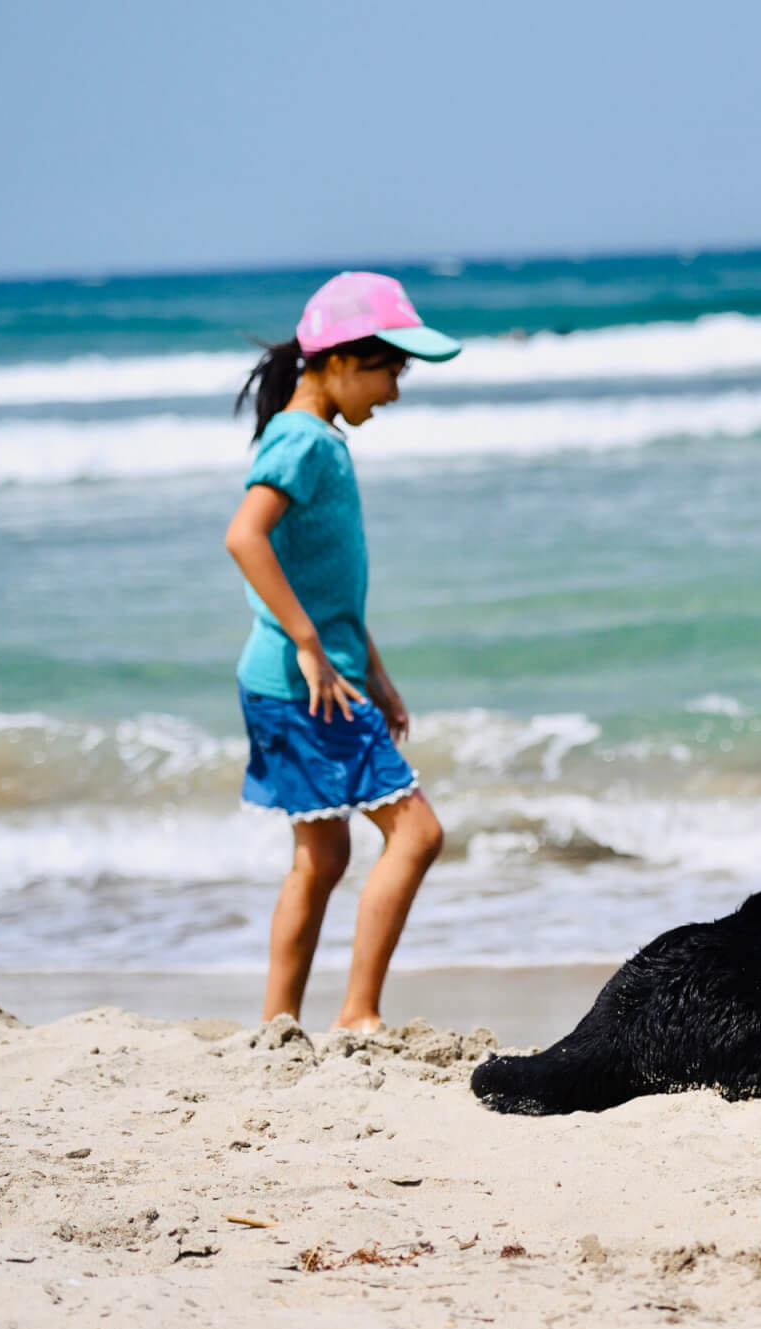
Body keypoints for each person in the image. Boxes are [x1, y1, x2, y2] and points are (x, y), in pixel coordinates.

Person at [223, 272, 461, 1032]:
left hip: (301, 681)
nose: (393, 391)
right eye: (391, 370)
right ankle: (358, 1015)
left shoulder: (312, 436)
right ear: (341, 360)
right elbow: (244, 535)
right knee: (418, 834)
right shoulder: (302, 440)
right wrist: (309, 648)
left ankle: (278, 1020)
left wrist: (376, 674)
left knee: (321, 858)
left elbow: (328, 589)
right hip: (306, 685)